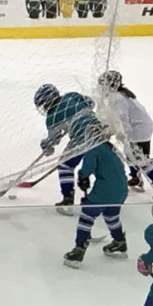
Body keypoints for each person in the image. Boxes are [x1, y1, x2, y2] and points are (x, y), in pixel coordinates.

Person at [97, 70, 153, 197]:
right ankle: (136, 178)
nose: (101, 87)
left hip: (139, 129)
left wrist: (120, 133)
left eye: (103, 84)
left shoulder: (117, 98)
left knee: (140, 158)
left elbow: (122, 119)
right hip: (140, 127)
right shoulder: (116, 95)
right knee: (130, 154)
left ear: (111, 85)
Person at [34, 83, 102, 214]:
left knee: (64, 165)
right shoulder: (72, 95)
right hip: (99, 130)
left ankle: (67, 198)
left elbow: (52, 143)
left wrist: (46, 145)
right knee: (101, 163)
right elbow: (91, 103)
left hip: (81, 138)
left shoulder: (52, 117)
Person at [62, 140, 129, 268]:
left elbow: (87, 168)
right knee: (111, 216)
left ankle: (79, 249)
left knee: (87, 216)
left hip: (105, 189)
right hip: (121, 189)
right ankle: (119, 241)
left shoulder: (93, 147)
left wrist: (82, 177)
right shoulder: (111, 148)